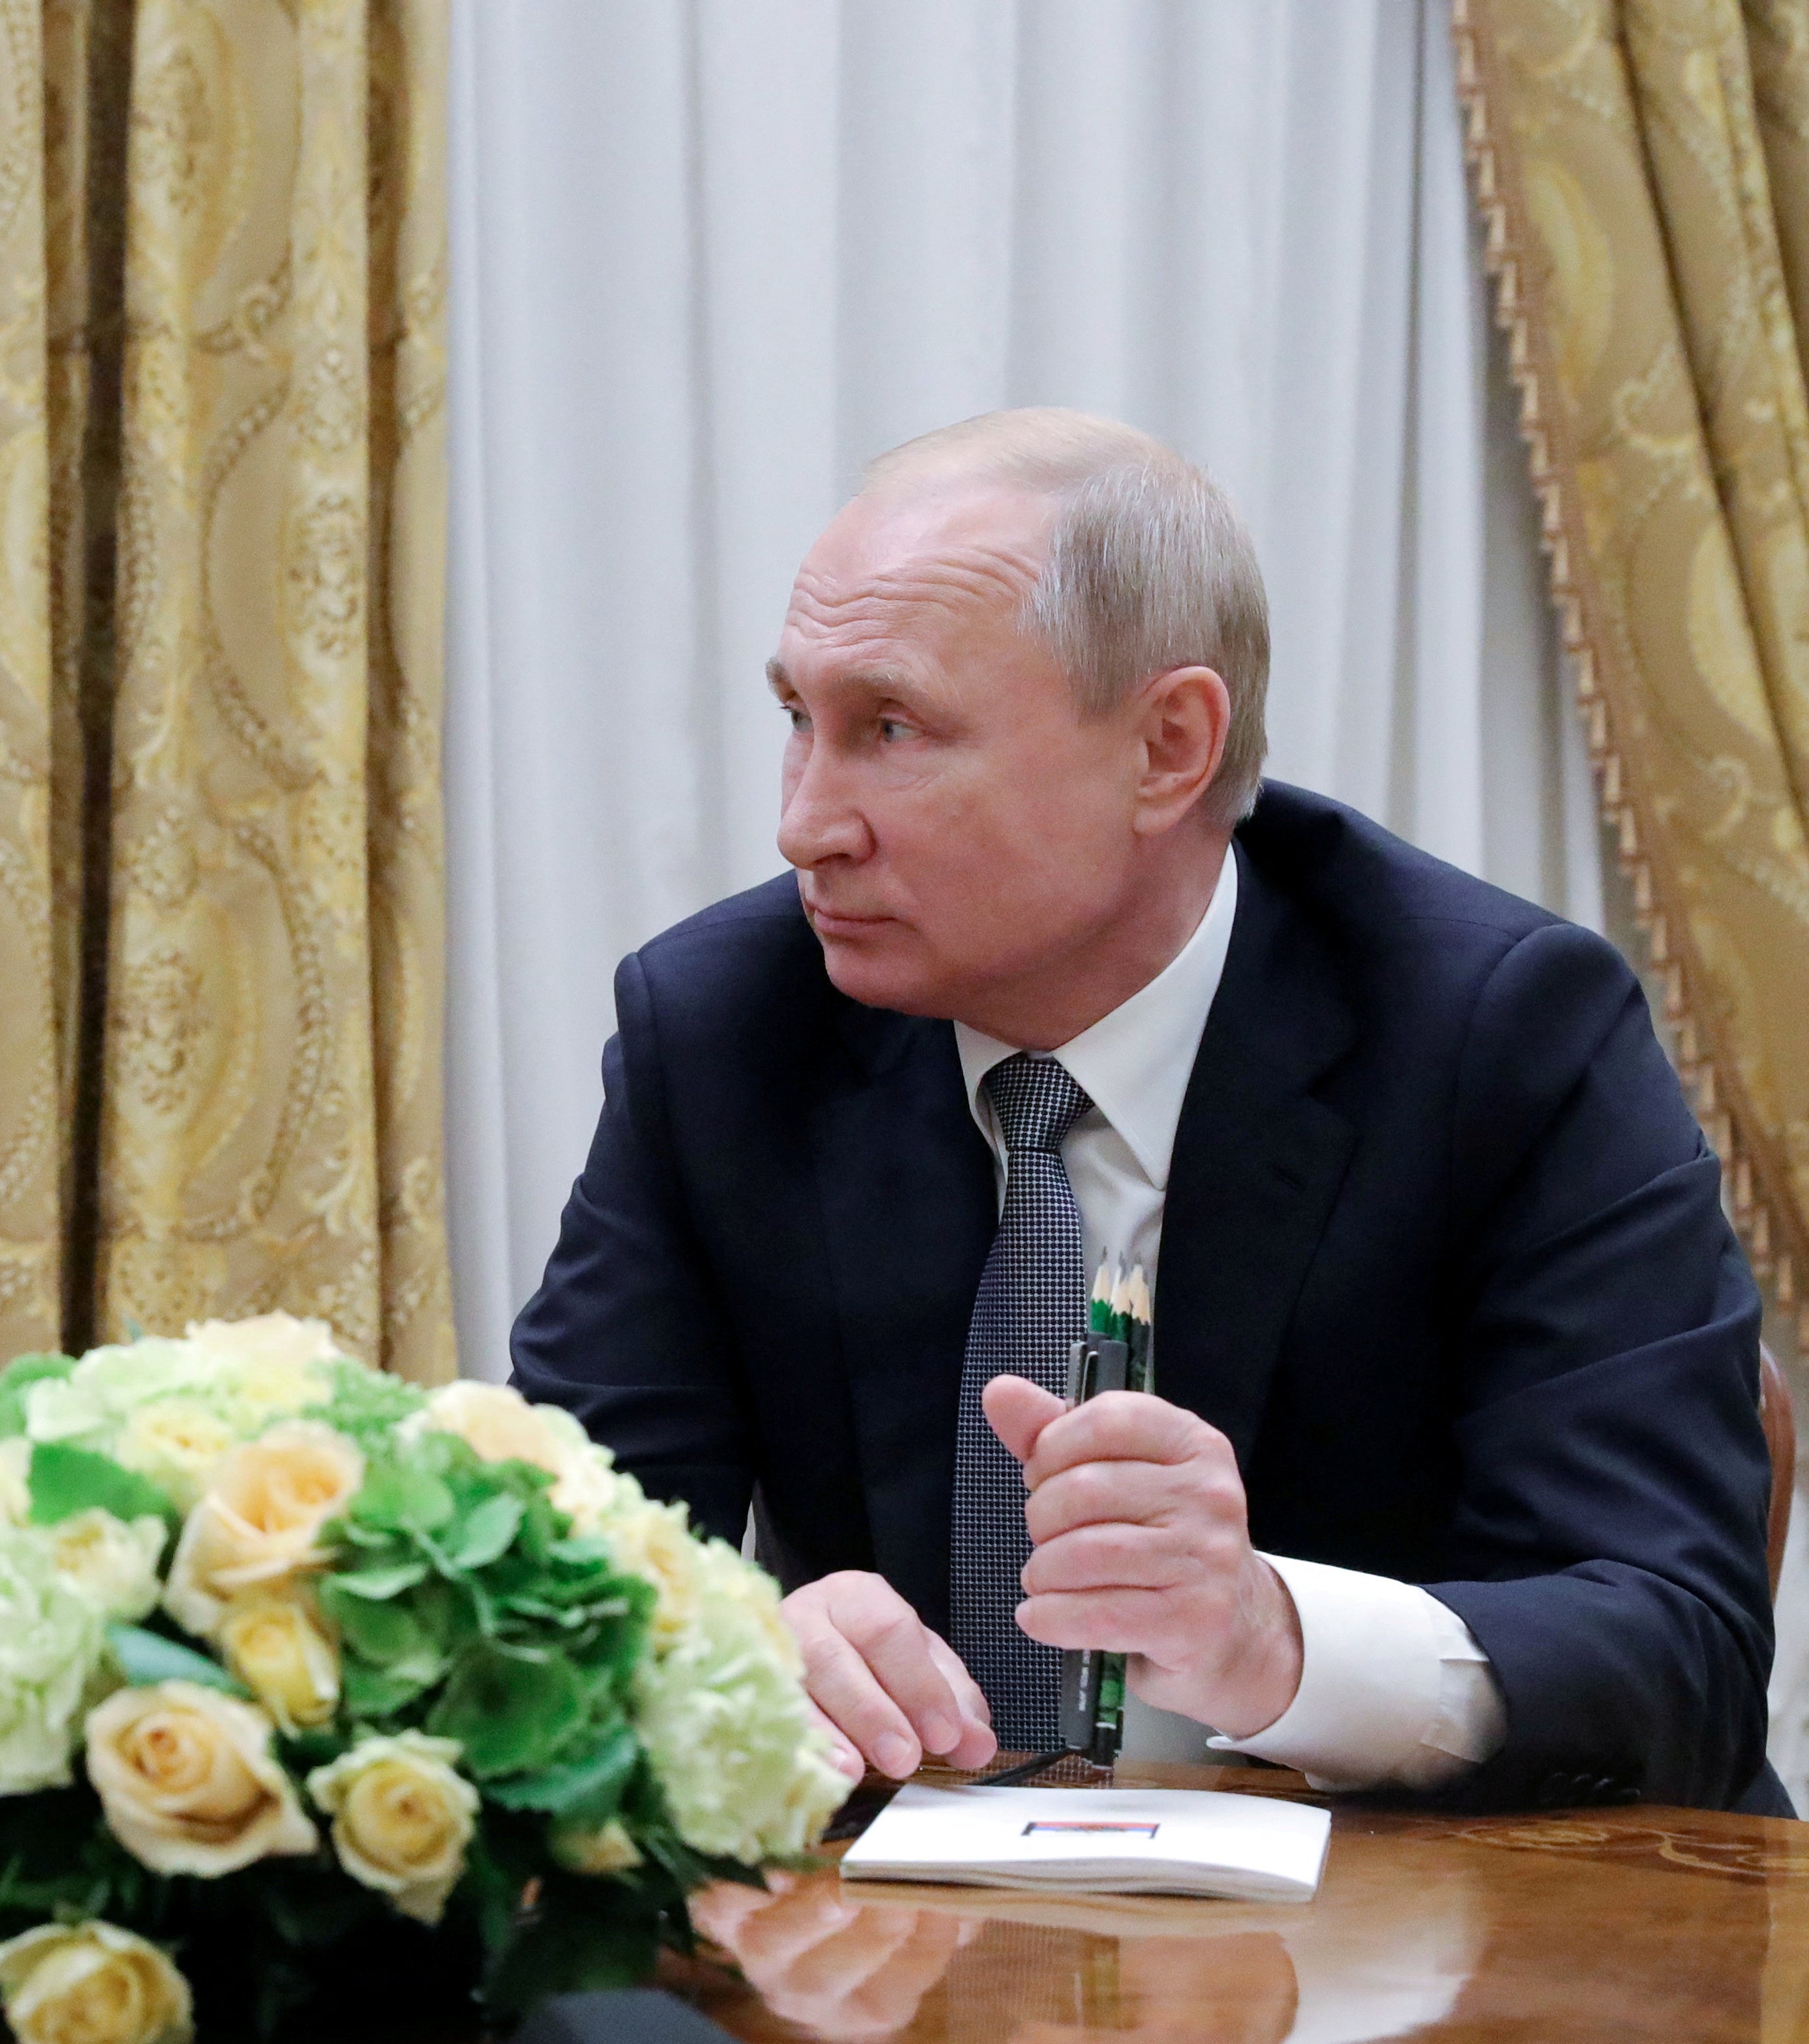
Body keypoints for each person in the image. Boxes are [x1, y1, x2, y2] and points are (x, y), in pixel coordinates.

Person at [512, 408, 1780, 1813]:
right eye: (798, 723)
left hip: (1418, 1950)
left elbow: (1680, 1646)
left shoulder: (1498, 1032)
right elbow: (547, 1568)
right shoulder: (727, 1027)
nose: (806, 821)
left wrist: (1274, 1637)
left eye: (890, 728)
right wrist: (732, 1651)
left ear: (1166, 747)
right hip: (896, 1960)